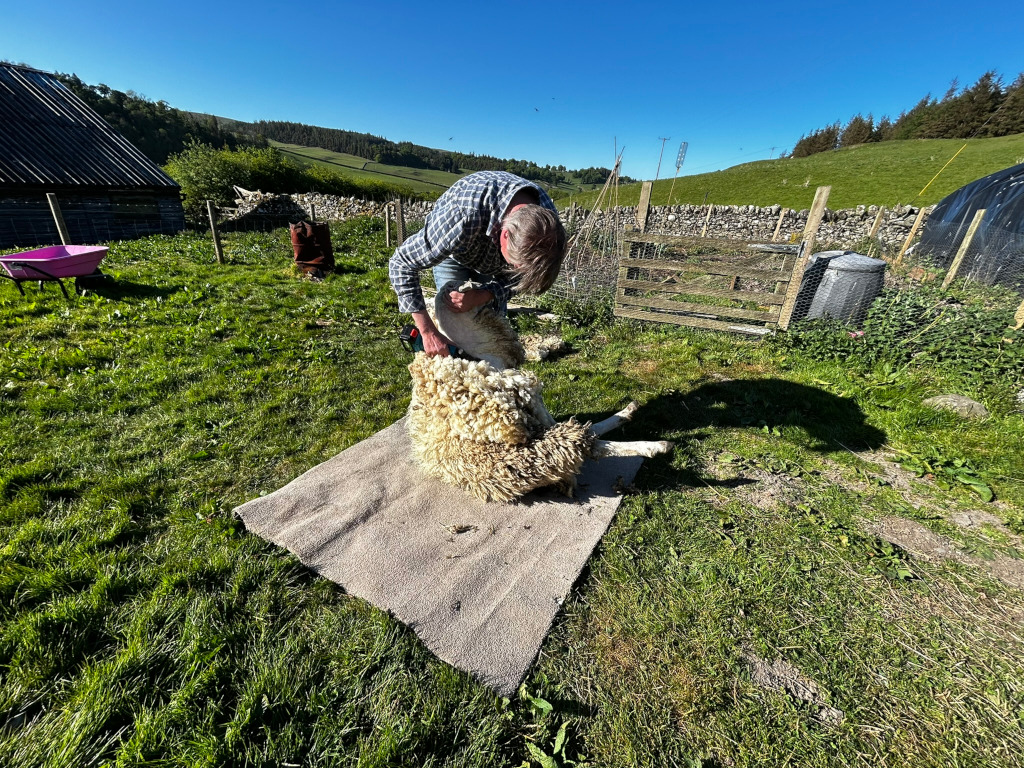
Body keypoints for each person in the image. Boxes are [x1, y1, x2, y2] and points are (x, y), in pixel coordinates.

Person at [389, 170, 567, 357]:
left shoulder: (550, 229)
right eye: (516, 264)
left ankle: (492, 373)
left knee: (495, 337)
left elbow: (520, 277)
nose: (516, 271)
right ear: (505, 234)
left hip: (494, 260)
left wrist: (485, 294)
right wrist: (427, 331)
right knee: (453, 324)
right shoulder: (462, 215)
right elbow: (401, 264)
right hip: (455, 253)